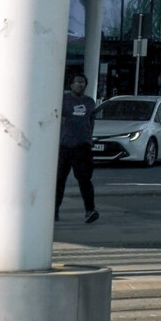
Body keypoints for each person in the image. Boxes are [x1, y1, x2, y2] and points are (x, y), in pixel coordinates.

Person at [56, 73, 100, 223]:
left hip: (82, 146)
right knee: (59, 180)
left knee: (84, 180)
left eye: (82, 82)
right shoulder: (64, 100)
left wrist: (88, 139)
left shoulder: (89, 102)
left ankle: (90, 210)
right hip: (64, 146)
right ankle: (54, 211)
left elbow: (91, 121)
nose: (80, 85)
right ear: (71, 85)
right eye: (77, 82)